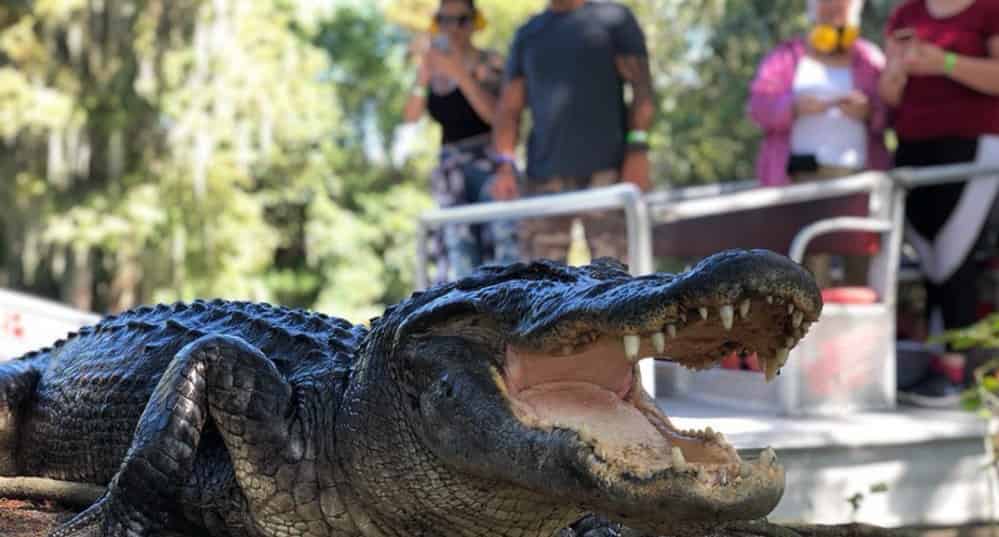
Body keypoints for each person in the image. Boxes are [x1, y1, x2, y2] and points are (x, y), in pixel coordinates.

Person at [879, 0, 999, 406]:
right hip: (914, 149)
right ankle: (939, 366)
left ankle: (957, 372)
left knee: (955, 255)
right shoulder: (906, 14)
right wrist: (897, 68)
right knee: (931, 261)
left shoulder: (989, 9)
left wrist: (944, 62)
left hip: (975, 147)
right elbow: (889, 94)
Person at [490, 0, 654, 263]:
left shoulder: (614, 19)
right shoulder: (528, 34)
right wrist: (505, 166)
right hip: (543, 179)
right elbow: (509, 108)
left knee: (620, 285)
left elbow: (642, 89)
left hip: (609, 175)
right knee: (538, 286)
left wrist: (638, 151)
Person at [747, 0, 890, 288]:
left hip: (858, 181)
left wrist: (870, 111)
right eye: (828, 9)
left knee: (861, 270)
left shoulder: (868, 58)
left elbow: (892, 111)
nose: (835, 15)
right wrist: (793, 107)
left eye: (842, 10)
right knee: (807, 270)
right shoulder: (786, 57)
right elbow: (757, 107)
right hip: (801, 180)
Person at [403, 0, 518, 283]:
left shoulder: (490, 62)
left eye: (462, 20)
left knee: (503, 246)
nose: (452, 28)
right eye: (444, 20)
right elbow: (411, 117)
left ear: (473, 24)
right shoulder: (432, 67)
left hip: (490, 160)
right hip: (450, 166)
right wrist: (423, 76)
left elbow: (498, 116)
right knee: (459, 251)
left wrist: (460, 74)